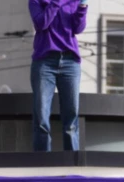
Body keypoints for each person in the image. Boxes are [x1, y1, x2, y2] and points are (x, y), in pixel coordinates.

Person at [29, 0, 87, 151]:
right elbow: (41, 23)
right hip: (44, 62)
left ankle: (72, 162)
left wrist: (82, 7)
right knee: (41, 115)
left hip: (70, 62)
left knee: (71, 114)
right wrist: (56, 2)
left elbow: (78, 28)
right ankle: (42, 161)